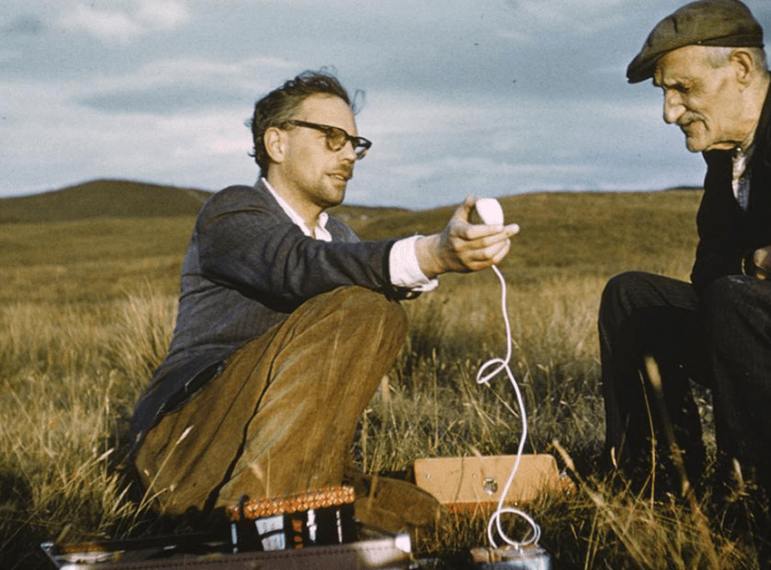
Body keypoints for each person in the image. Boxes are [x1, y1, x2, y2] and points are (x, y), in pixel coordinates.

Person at [128, 70, 519, 523]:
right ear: (277, 143)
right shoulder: (231, 211)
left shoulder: (339, 237)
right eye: (333, 137)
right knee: (365, 306)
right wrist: (432, 253)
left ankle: (286, 505)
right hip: (189, 446)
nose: (350, 154)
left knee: (420, 517)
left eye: (356, 143)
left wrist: (441, 257)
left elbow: (338, 263)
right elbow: (297, 266)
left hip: (293, 457)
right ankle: (257, 524)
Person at [599, 0, 771, 563]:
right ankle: (659, 486)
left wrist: (753, 274)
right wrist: (763, 264)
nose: (670, 112)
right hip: (766, 332)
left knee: (739, 300)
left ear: (741, 68)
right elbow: (708, 274)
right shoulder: (727, 157)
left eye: (683, 89)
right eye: (664, 93)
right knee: (633, 296)